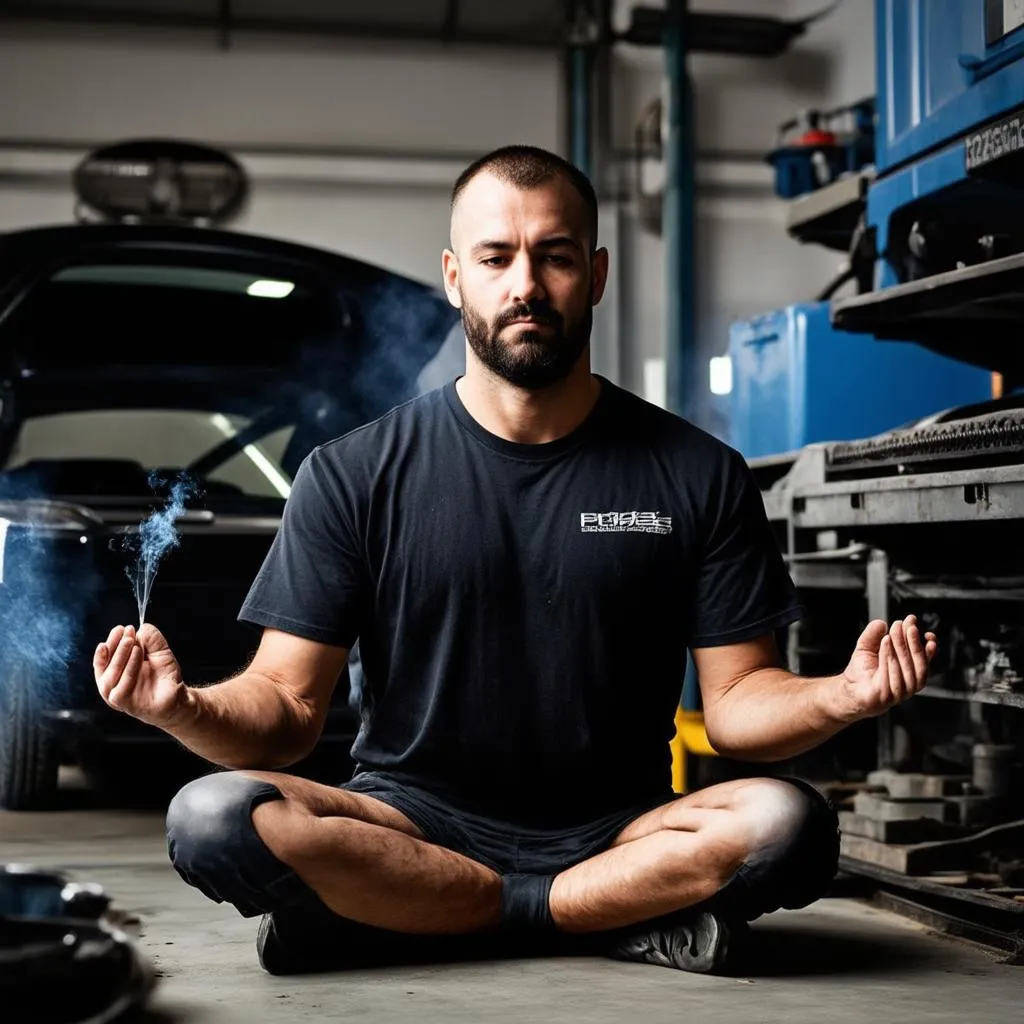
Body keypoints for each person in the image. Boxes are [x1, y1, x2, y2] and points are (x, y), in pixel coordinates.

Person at [93, 145, 937, 977]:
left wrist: (840, 696)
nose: (526, 285)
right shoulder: (352, 474)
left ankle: (413, 915)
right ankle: (605, 915)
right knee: (213, 817)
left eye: (555, 257)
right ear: (458, 276)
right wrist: (184, 708)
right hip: (409, 821)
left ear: (596, 275)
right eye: (497, 257)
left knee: (789, 825)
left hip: (623, 828)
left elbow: (737, 706)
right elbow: (285, 708)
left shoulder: (694, 471)